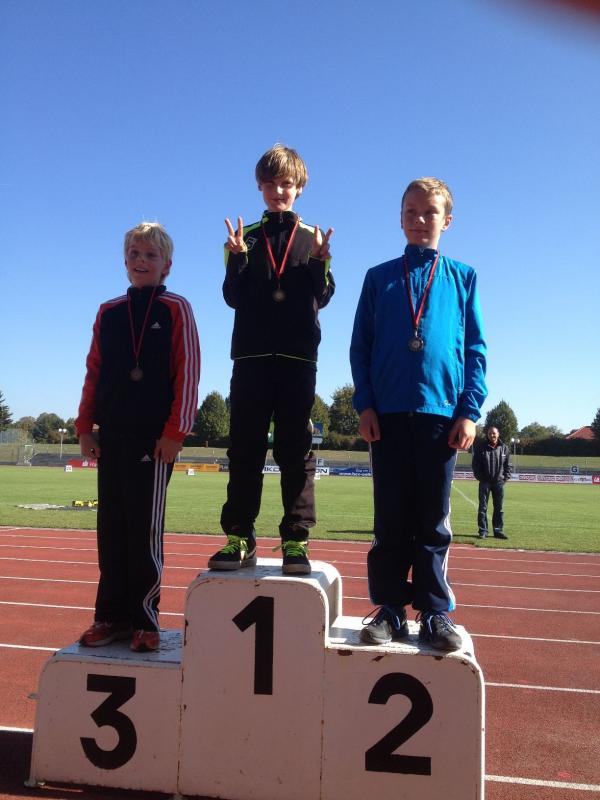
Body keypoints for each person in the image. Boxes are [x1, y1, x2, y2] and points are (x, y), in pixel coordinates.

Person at [350, 177, 487, 651]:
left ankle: (434, 611)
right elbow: (360, 347)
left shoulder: (462, 277)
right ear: (400, 218)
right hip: (386, 414)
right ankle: (389, 607)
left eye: (430, 212)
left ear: (447, 220)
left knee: (432, 519)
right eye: (411, 211)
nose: (420, 219)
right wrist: (365, 404)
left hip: (440, 414)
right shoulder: (378, 278)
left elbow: (475, 350)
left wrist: (469, 411)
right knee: (390, 517)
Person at [208, 144, 334, 575]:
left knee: (295, 451)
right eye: (271, 183)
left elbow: (324, 295)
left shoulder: (314, 237)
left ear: (299, 188)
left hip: (298, 359)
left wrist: (319, 263)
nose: (279, 191)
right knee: (244, 449)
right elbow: (231, 297)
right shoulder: (244, 237)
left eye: (286, 184)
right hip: (251, 358)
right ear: (260, 187)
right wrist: (238, 258)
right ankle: (239, 536)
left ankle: (295, 540)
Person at [76, 222, 200, 651]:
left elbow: (188, 372)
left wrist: (176, 432)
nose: (141, 261)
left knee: (144, 531)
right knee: (111, 529)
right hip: (111, 435)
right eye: (134, 254)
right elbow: (94, 372)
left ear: (167, 265)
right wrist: (84, 427)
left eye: (150, 255)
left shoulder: (176, 308)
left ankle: (145, 619)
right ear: (124, 261)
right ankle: (111, 617)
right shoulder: (108, 312)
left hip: (154, 439)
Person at [472, 426, 511, 539]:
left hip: (499, 482)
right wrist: (481, 478)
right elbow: (475, 465)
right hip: (485, 482)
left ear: (498, 434)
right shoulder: (481, 447)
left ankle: (498, 531)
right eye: (490, 433)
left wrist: (504, 478)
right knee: (482, 508)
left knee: (499, 508)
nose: (492, 435)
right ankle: (483, 531)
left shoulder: (504, 448)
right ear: (487, 435)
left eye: (494, 433)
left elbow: (508, 465)